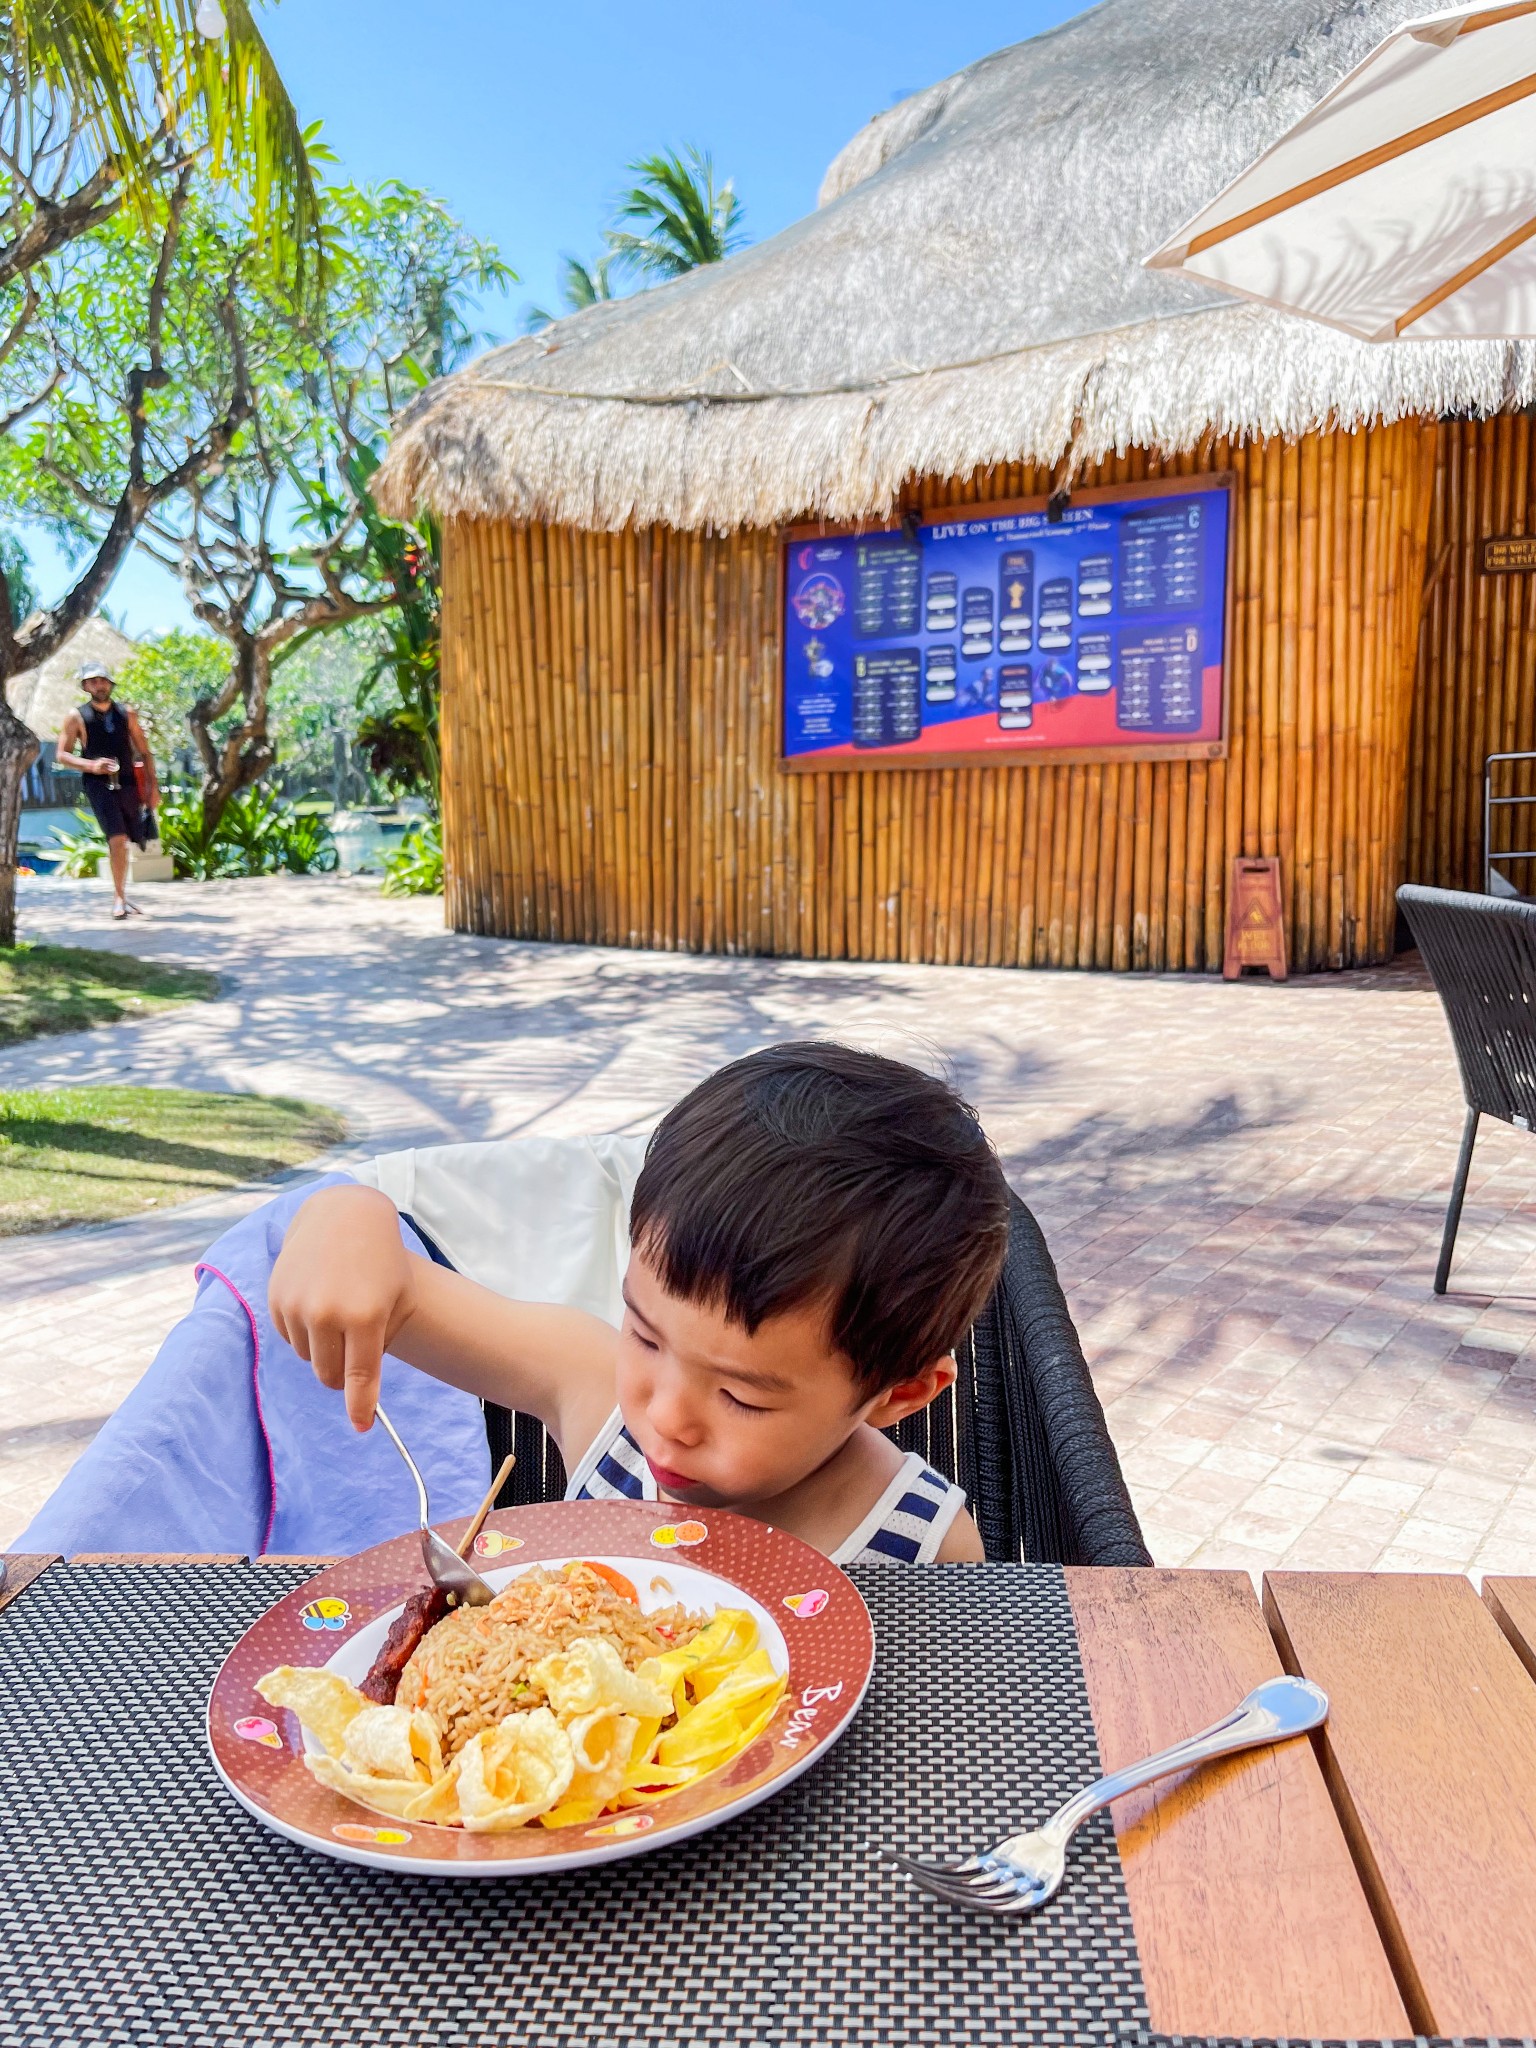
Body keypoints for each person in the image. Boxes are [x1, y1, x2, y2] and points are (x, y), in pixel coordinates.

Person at [270, 1042, 1012, 1564]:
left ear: (902, 1392)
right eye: (647, 1338)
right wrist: (344, 1215)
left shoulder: (924, 1544)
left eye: (739, 1396)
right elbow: (397, 1295)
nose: (665, 1417)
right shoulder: (588, 1386)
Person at [55, 660, 159, 919]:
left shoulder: (127, 714)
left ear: (110, 683)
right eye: (93, 681)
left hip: (128, 782)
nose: (99, 685)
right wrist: (93, 765)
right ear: (86, 686)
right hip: (98, 784)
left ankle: (121, 893)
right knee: (117, 838)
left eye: (103, 680)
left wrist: (153, 787)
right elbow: (62, 755)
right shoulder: (76, 716)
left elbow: (145, 752)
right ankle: (119, 899)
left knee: (131, 840)